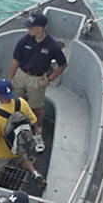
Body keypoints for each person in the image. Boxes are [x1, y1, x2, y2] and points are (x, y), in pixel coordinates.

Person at [7, 12, 67, 153]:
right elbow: (15, 60)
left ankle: (38, 132)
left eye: (32, 27)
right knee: (15, 103)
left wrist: (49, 79)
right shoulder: (24, 41)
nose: (29, 29)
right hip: (21, 74)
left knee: (37, 108)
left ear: (41, 28)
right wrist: (10, 78)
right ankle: (14, 126)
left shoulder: (52, 46)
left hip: (38, 78)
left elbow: (62, 64)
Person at [0, 79, 45, 187]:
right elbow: (34, 122)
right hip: (19, 145)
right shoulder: (21, 102)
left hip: (0, 153)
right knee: (21, 159)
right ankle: (35, 173)